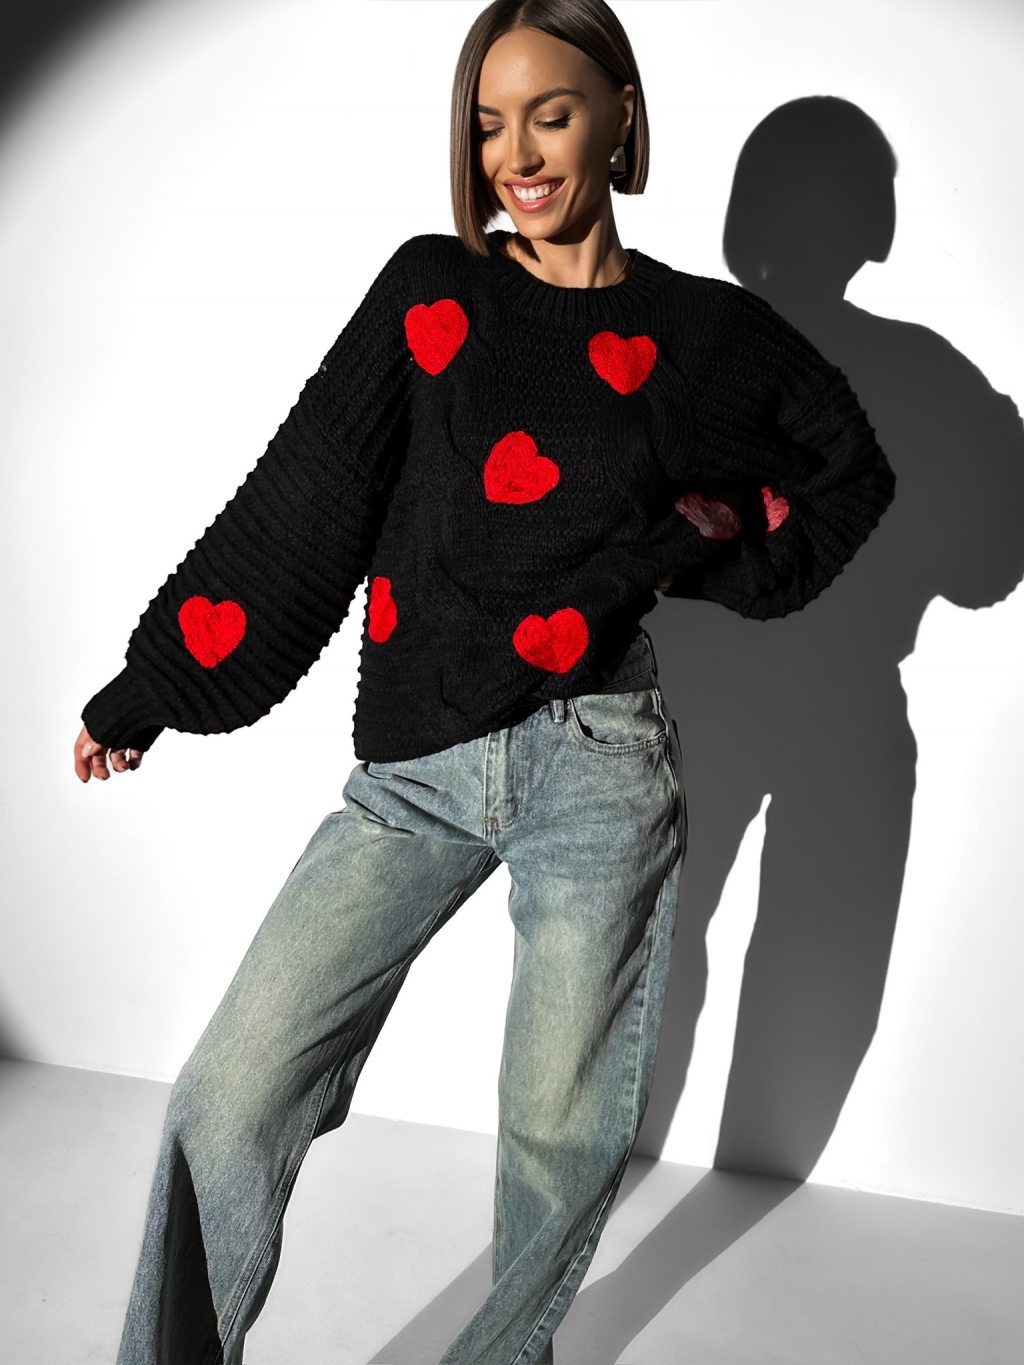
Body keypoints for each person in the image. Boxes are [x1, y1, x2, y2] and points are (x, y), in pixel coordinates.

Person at [73, 2, 895, 1361]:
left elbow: (846, 476)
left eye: (551, 115)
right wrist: (153, 685)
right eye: (490, 122)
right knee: (230, 1092)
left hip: (601, 763)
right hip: (420, 766)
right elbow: (309, 498)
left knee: (555, 1149)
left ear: (620, 117)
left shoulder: (702, 335)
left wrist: (703, 543)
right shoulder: (433, 295)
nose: (516, 153)